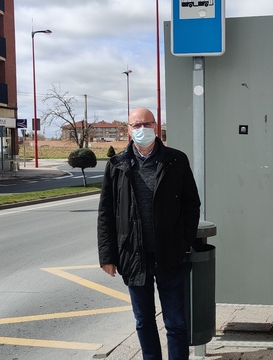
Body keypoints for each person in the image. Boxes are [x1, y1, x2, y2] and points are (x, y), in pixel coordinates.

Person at [97, 107, 201, 360]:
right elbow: (106, 214)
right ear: (128, 129)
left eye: (147, 124)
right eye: (136, 125)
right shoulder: (117, 165)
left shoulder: (176, 160)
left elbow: (191, 204)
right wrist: (107, 256)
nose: (142, 129)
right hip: (133, 256)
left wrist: (183, 241)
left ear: (156, 126)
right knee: (143, 321)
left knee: (175, 322)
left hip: (169, 254)